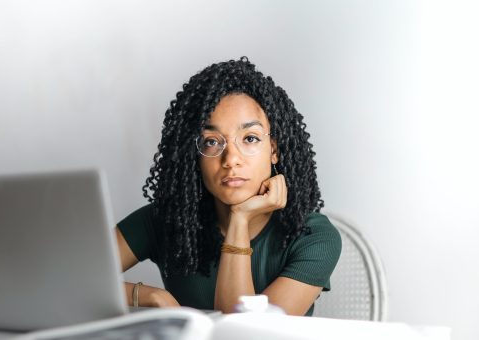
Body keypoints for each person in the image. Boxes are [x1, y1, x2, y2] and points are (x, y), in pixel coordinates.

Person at [116, 57, 341, 316]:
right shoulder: (169, 219)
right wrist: (151, 296)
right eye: (211, 142)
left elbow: (244, 335)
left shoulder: (314, 236)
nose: (231, 159)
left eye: (250, 138)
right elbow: (67, 278)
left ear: (274, 151)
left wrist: (240, 218)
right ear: (195, 156)